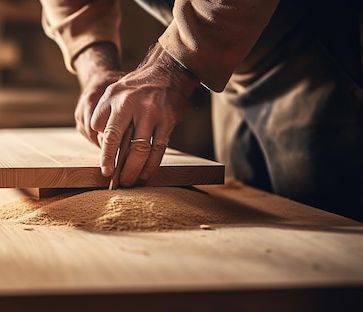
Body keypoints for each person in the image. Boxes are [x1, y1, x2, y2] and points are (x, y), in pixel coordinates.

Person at [39, 0, 363, 221]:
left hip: (322, 51)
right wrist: (96, 65)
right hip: (232, 64)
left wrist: (172, 65)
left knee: (325, 232)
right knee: (252, 226)